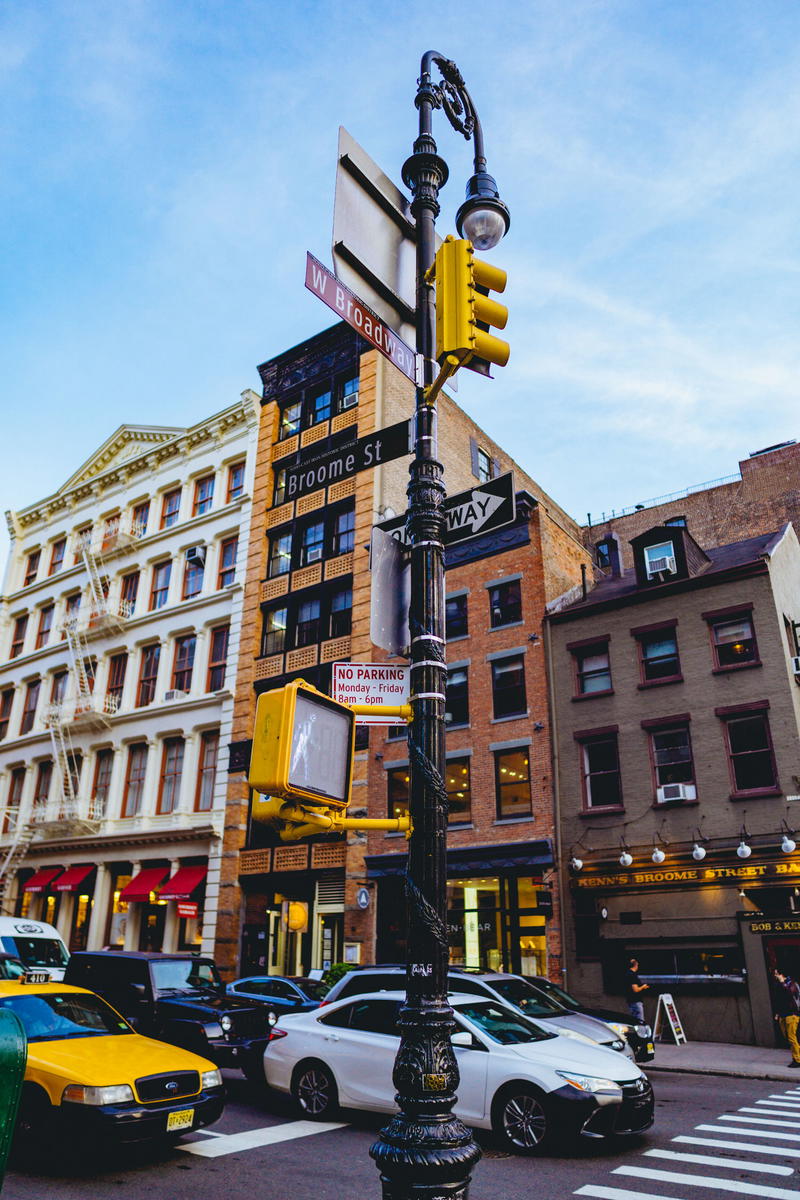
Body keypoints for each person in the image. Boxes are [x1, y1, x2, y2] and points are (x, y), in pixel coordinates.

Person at [772, 969, 800, 1067]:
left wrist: (782, 982)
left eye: (776, 974)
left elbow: (789, 994)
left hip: (792, 1015)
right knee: (788, 1038)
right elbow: (778, 1000)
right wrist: (777, 1013)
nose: (775, 975)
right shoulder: (778, 985)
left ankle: (797, 1060)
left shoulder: (791, 984)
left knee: (792, 1038)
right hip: (783, 1015)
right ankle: (796, 1056)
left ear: (781, 974)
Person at [625, 957, 649, 1022]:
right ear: (635, 965)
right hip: (636, 1001)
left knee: (634, 1021)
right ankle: (641, 1032)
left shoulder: (627, 974)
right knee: (640, 1021)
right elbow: (635, 990)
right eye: (637, 965)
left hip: (631, 1001)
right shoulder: (632, 975)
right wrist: (643, 987)